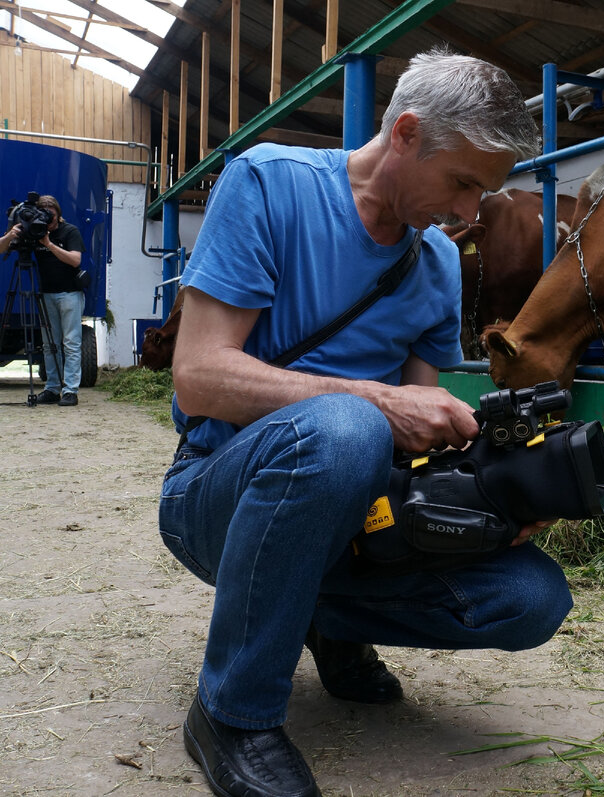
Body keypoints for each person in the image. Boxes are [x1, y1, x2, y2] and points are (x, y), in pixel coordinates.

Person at [158, 49, 571, 797]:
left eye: (485, 193)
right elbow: (200, 375)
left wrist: (498, 497)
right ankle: (232, 712)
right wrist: (377, 403)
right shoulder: (267, 185)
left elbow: (413, 462)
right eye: (465, 183)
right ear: (407, 133)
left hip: (351, 507)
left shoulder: (437, 264)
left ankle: (316, 615)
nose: (471, 214)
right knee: (347, 430)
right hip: (216, 491)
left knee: (533, 597)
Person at [0, 195, 86, 406]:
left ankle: (70, 391)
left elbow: (75, 260)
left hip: (70, 294)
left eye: (51, 216)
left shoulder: (69, 231)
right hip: (46, 294)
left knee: (71, 344)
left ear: (58, 214)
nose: (47, 221)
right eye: (44, 215)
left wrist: (48, 243)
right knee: (49, 344)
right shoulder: (32, 231)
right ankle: (52, 389)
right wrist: (10, 235)